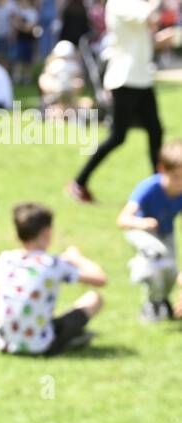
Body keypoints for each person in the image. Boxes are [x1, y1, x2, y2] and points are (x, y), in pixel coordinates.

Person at [67, 0, 170, 201]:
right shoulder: (121, 3)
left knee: (156, 132)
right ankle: (79, 182)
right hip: (125, 79)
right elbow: (149, 16)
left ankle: (159, 187)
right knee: (117, 136)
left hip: (141, 79)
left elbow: (147, 31)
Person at [0, 200, 106, 352]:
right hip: (42, 346)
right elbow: (100, 279)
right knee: (94, 298)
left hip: (4, 343)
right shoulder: (53, 263)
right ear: (47, 233)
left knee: (0, 290)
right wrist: (76, 258)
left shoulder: (6, 259)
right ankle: (70, 338)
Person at [117, 136, 182, 318]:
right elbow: (122, 219)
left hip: (166, 234)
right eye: (176, 177)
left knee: (171, 272)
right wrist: (142, 223)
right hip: (140, 232)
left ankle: (161, 300)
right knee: (155, 256)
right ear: (162, 169)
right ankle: (147, 291)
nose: (180, 183)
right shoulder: (149, 187)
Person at [38, 37, 88, 110]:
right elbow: (44, 80)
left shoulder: (74, 66)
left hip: (69, 94)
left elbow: (79, 81)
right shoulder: (52, 65)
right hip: (54, 94)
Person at [11, 0, 39, 81]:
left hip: (29, 40)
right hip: (19, 39)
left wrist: (20, 25)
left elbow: (29, 28)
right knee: (17, 59)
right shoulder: (18, 11)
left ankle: (27, 77)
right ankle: (16, 77)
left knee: (28, 60)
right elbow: (14, 25)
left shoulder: (32, 12)